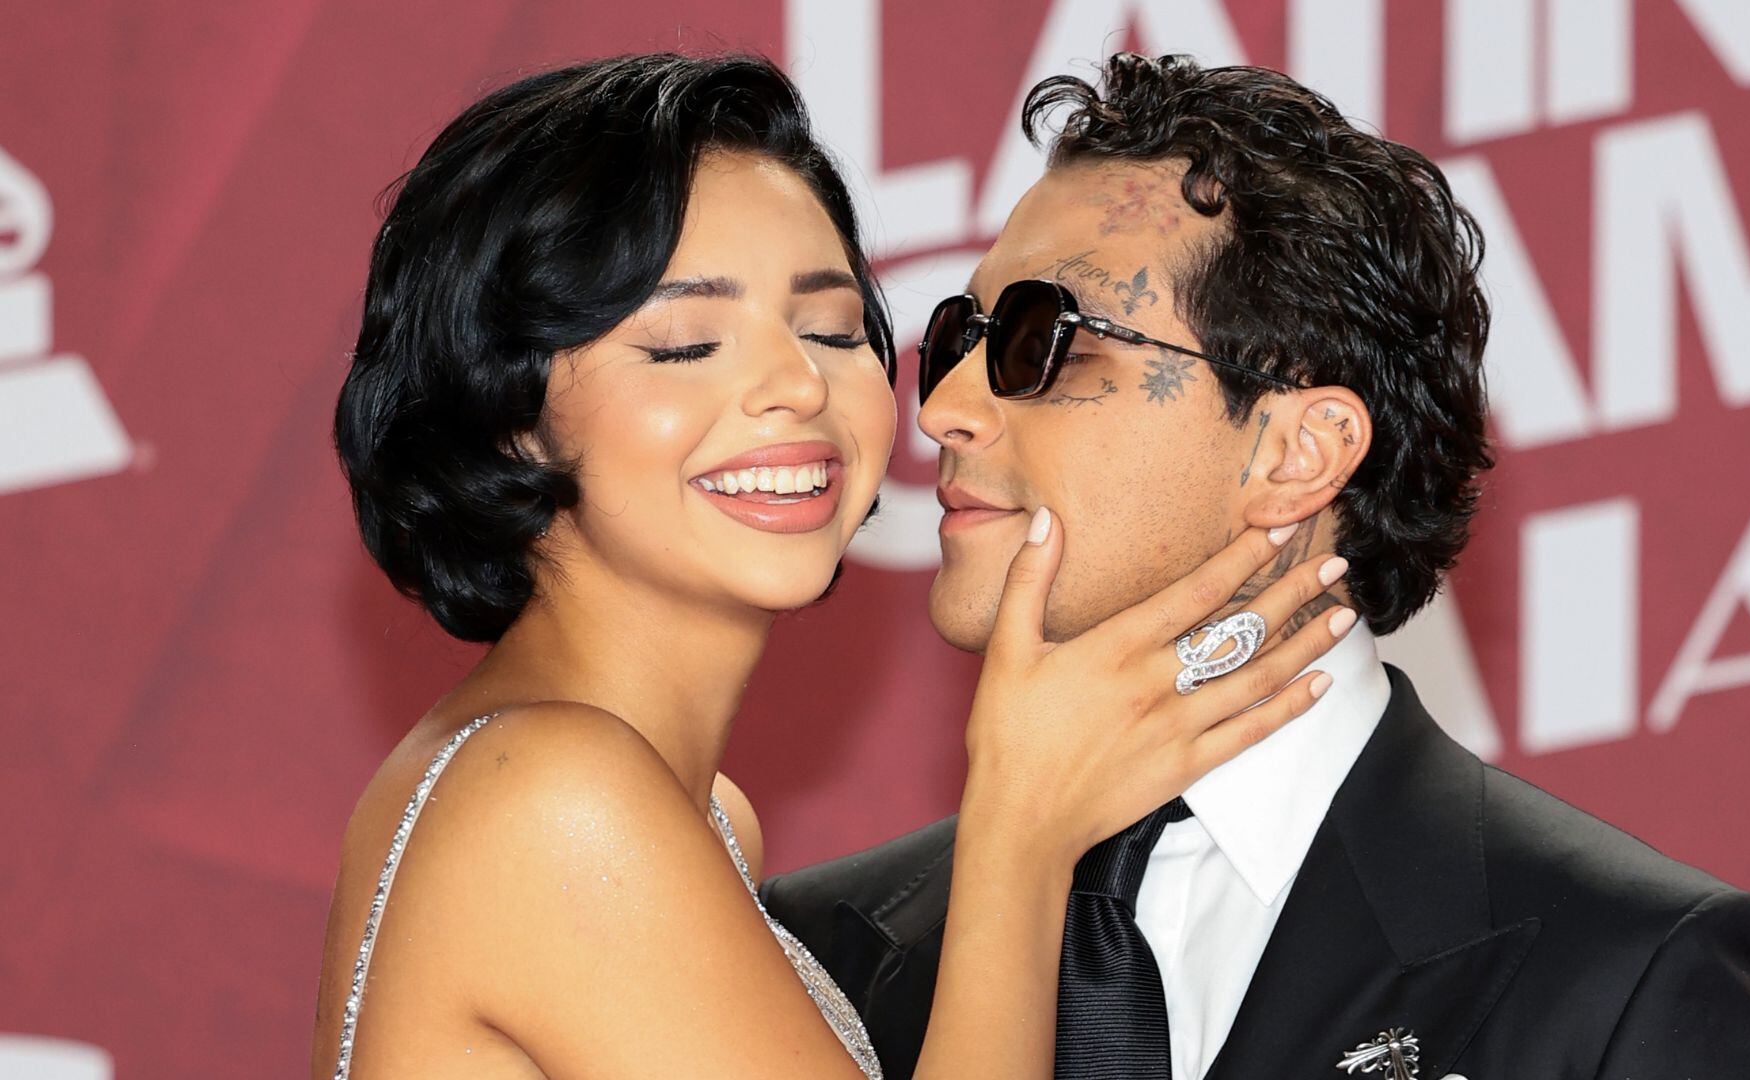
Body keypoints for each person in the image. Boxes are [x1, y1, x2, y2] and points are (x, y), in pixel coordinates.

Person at [762, 53, 1750, 1080]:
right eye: (962, 335)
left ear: (1297, 452)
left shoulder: (1626, 973)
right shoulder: (809, 954)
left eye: (1043, 341)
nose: (941, 408)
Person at [311, 53, 1350, 1079]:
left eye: (831, 327)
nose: (797, 386)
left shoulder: (696, 809)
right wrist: (1019, 834)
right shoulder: (554, 800)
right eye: (684, 344)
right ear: (507, 420)